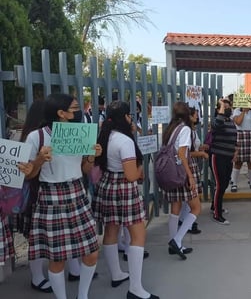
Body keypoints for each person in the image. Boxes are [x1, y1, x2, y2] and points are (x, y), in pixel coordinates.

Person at [19, 93, 101, 299]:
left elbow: (84, 168)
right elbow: (29, 173)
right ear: (61, 113)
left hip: (77, 193)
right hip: (51, 196)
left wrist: (92, 155)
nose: (79, 112)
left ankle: (83, 295)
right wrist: (39, 159)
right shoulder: (36, 136)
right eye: (74, 109)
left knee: (91, 252)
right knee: (57, 258)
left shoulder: (80, 133)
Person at [93, 101, 158, 299]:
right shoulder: (125, 141)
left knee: (111, 231)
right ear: (124, 117)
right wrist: (140, 170)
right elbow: (131, 175)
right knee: (138, 235)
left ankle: (117, 274)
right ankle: (136, 289)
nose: (131, 118)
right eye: (129, 115)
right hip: (124, 188)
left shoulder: (105, 137)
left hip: (107, 185)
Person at [163, 102, 201, 260]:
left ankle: (174, 242)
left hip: (172, 170)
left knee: (175, 207)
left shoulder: (171, 128)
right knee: (196, 208)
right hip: (182, 170)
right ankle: (177, 240)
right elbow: (182, 153)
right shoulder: (185, 129)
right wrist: (190, 176)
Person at [178, 107, 208, 235]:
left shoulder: (192, 131)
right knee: (191, 198)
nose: (197, 117)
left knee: (188, 197)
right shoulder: (186, 131)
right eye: (195, 115)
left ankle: (184, 220)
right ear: (189, 116)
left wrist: (201, 148)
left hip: (192, 164)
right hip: (189, 165)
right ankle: (185, 223)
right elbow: (186, 153)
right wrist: (201, 153)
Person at [210, 98, 238, 225]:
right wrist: (221, 106)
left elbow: (234, 138)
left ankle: (214, 206)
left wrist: (235, 151)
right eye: (224, 107)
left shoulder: (231, 121)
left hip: (229, 157)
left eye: (228, 107)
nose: (227, 109)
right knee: (220, 185)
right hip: (218, 157)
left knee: (225, 183)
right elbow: (218, 124)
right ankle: (217, 214)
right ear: (218, 109)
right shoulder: (217, 121)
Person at [230, 96, 251, 192]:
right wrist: (243, 111)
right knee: (238, 162)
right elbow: (238, 122)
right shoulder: (237, 110)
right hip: (240, 135)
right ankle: (234, 183)